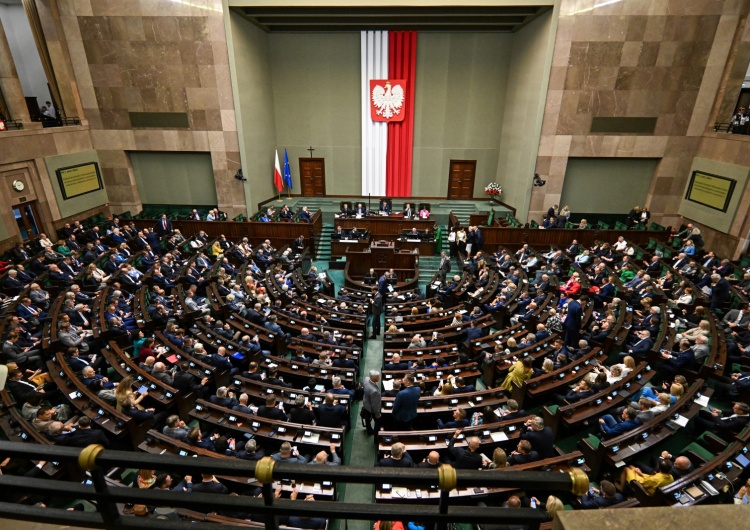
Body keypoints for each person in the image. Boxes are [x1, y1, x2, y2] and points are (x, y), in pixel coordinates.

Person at [362, 370, 382, 436]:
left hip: (365, 402)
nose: (379, 378)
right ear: (373, 378)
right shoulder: (374, 391)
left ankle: (369, 430)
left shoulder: (366, 379)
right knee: (377, 422)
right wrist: (377, 414)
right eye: (378, 377)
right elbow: (375, 405)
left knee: (367, 418)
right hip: (371, 407)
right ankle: (376, 434)